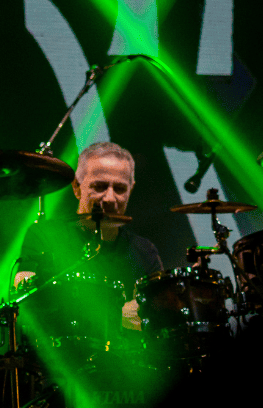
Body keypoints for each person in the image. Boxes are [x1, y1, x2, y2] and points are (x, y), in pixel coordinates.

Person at [13, 142, 162, 336]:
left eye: (119, 189)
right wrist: (119, 314)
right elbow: (23, 292)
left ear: (131, 190)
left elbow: (163, 314)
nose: (109, 198)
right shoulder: (45, 235)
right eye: (99, 186)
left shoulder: (144, 250)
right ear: (76, 187)